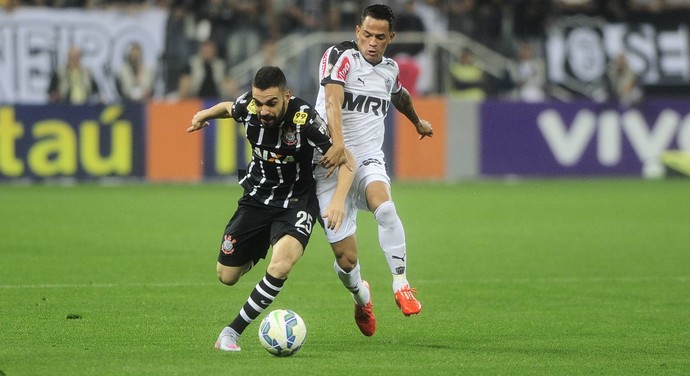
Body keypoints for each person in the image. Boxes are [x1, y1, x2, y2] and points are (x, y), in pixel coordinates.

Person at [186, 66, 355, 352]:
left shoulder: (304, 120)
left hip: (296, 202)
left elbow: (346, 158)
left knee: (281, 265)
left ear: (286, 97)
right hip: (255, 199)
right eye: (259, 102)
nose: (263, 110)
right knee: (226, 276)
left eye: (271, 103)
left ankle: (231, 332)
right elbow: (230, 107)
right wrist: (206, 114)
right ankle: (264, 241)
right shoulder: (249, 107)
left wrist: (338, 200)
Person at [315, 4, 434, 337]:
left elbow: (400, 95)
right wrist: (338, 146)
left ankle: (401, 283)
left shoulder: (390, 70)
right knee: (347, 261)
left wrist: (417, 122)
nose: (372, 42)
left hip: (367, 159)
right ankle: (361, 296)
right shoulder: (340, 57)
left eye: (380, 37)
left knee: (386, 207)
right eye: (366, 34)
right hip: (329, 163)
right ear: (357, 31)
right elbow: (331, 102)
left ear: (390, 37)